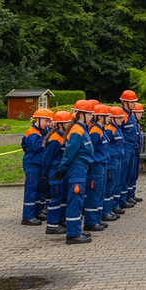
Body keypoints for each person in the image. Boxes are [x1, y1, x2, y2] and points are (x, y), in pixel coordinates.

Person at [53, 100, 96, 244]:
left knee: (78, 201)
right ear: (81, 114)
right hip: (77, 168)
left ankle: (76, 229)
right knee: (75, 201)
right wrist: (62, 168)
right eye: (89, 113)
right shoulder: (77, 130)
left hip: (81, 168)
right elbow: (70, 152)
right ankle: (72, 234)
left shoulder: (81, 128)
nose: (91, 116)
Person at [21, 108, 54, 226]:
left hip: (39, 164)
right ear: (38, 120)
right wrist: (47, 140)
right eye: (46, 121)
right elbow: (35, 147)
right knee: (31, 189)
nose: (47, 124)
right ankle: (27, 216)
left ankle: (37, 211)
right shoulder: (32, 133)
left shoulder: (41, 131)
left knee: (40, 189)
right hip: (32, 164)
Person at [43, 111, 73, 235]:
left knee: (63, 197)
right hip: (55, 173)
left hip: (62, 172)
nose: (70, 125)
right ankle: (52, 225)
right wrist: (45, 174)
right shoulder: (55, 139)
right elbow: (47, 158)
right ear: (60, 125)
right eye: (67, 123)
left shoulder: (64, 136)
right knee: (56, 198)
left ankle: (61, 220)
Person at [84, 104, 111, 232]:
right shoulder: (95, 131)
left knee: (100, 192)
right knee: (94, 194)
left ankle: (97, 218)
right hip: (96, 166)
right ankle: (90, 221)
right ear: (100, 117)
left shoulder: (101, 130)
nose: (109, 118)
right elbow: (91, 150)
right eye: (107, 116)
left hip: (102, 165)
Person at [102, 106, 125, 222]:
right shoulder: (109, 129)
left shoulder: (116, 128)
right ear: (113, 118)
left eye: (121, 118)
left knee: (115, 184)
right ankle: (106, 211)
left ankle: (110, 208)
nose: (121, 120)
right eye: (119, 118)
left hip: (117, 159)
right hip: (112, 161)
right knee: (109, 186)